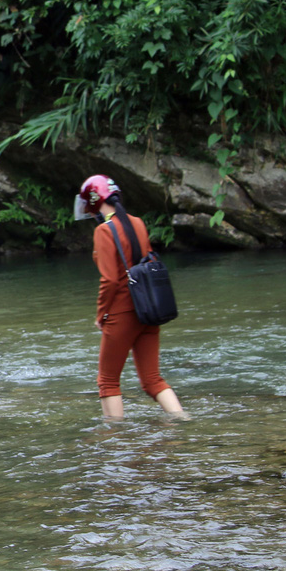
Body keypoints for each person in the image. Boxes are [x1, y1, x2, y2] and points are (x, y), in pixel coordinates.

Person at [75, 175, 185, 420]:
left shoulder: (104, 230)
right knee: (152, 380)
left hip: (122, 313)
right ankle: (183, 420)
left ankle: (116, 437)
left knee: (108, 381)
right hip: (149, 309)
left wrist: (101, 314)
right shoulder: (137, 222)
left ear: (94, 202)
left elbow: (110, 280)